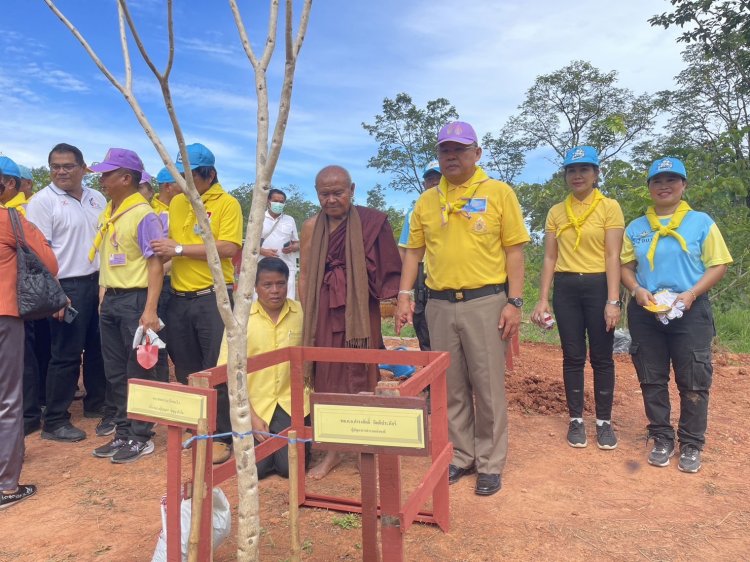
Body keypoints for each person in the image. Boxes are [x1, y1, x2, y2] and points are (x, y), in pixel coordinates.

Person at [396, 121, 529, 497]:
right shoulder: (426, 200)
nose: (451, 156)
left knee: (487, 386)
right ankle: (462, 456)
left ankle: (489, 462)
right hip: (438, 304)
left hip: (485, 302)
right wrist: (405, 295)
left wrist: (514, 303)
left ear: (477, 153)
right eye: (444, 150)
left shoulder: (498, 193)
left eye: (459, 149)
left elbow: (514, 251)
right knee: (450, 387)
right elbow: (414, 253)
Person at [621, 157, 732, 473]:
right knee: (651, 376)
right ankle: (661, 437)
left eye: (672, 180)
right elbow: (626, 267)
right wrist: (636, 290)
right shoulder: (637, 227)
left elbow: (719, 264)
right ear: (650, 188)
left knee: (694, 378)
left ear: (683, 185)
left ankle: (692, 443)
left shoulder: (701, 222)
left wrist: (692, 293)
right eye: (657, 181)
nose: (664, 186)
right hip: (647, 312)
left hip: (690, 309)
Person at [299, 165, 401, 479]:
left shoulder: (372, 223)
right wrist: (308, 317)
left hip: (360, 311)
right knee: (327, 375)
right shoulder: (310, 227)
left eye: (338, 192)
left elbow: (389, 270)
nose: (331, 199)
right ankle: (332, 450)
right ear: (317, 194)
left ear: (352, 190)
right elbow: (304, 276)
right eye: (324, 193)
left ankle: (365, 446)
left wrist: (397, 305)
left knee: (362, 371)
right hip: (324, 310)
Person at [151, 143, 242, 465]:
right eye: (181, 176)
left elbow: (229, 247)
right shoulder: (176, 202)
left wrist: (178, 250)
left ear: (210, 175)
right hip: (179, 299)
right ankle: (198, 428)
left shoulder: (228, 204)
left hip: (212, 299)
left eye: (192, 177)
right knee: (188, 368)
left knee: (217, 369)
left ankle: (222, 437)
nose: (185, 183)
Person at [531, 146, 624, 450]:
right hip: (567, 288)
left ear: (596, 174)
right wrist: (543, 298)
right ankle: (576, 420)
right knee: (572, 356)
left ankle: (604, 422)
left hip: (599, 285)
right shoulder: (557, 211)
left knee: (601, 357)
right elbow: (549, 258)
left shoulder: (609, 207)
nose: (578, 175)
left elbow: (613, 255)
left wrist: (613, 300)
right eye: (572, 170)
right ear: (566, 176)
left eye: (584, 169)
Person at [85, 149, 166, 464]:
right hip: (112, 299)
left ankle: (141, 436)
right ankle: (123, 431)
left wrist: (150, 309)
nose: (102, 180)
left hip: (135, 300)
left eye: (107, 174)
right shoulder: (111, 210)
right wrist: (104, 293)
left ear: (126, 178)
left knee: (139, 371)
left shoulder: (143, 214)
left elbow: (156, 265)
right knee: (115, 372)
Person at [26, 144, 108, 442]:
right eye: (55, 166)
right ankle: (55, 420)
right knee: (65, 354)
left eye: (68, 166)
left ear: (83, 168)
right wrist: (56, 293)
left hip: (98, 282)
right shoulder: (42, 202)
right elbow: (37, 253)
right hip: (66, 285)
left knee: (98, 348)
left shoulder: (97, 198)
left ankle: (96, 403)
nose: (61, 171)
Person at [217, 257, 310, 478]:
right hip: (255, 403)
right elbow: (228, 371)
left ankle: (283, 449)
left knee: (291, 469)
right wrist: (250, 416)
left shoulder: (302, 314)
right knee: (254, 471)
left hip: (293, 403)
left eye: (281, 284)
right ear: (255, 287)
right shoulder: (240, 320)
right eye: (267, 285)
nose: (275, 291)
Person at [1, 161, 59, 509]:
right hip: (5, 316)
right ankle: (7, 486)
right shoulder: (12, 220)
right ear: (7, 184)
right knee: (8, 400)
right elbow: (49, 264)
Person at [398, 161, 441, 351]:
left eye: (438, 178)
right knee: (422, 322)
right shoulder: (414, 212)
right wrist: (409, 286)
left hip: (446, 274)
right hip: (423, 276)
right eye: (430, 179)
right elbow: (405, 250)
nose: (434, 183)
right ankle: (430, 374)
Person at [259, 189, 300, 300]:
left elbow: (297, 243)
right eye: (275, 200)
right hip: (263, 266)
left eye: (281, 202)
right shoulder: (258, 218)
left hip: (286, 266)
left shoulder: (290, 220)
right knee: (263, 299)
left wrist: (292, 247)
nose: (279, 204)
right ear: (268, 201)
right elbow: (250, 244)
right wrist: (263, 251)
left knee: (288, 298)